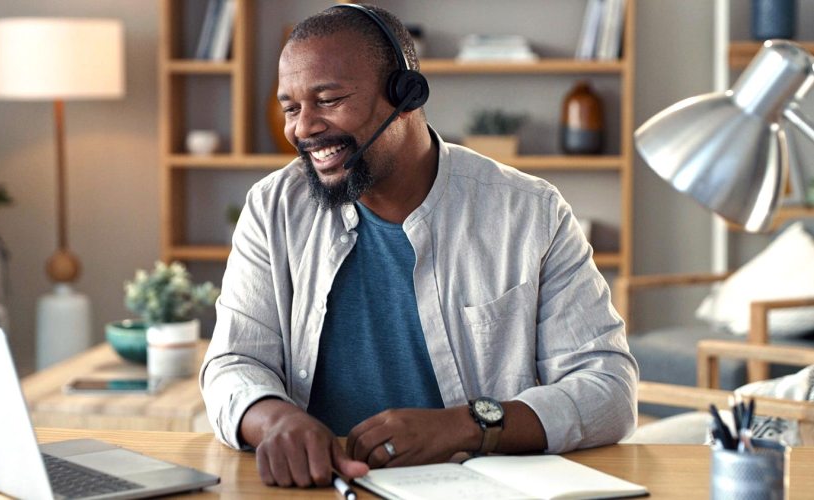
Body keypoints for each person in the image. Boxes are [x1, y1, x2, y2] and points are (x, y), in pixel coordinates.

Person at [200, 3, 638, 488]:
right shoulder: (273, 208)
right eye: (291, 108)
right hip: (322, 487)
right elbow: (233, 363)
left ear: (406, 95)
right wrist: (275, 418)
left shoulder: (528, 212)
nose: (303, 128)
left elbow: (608, 388)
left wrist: (465, 425)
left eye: (328, 99)